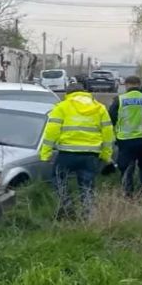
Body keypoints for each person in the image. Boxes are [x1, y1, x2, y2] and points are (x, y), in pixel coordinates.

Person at [39, 82, 114, 220]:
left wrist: (45, 153)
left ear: (68, 94)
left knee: (59, 179)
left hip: (67, 153)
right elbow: (108, 133)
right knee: (87, 185)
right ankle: (88, 215)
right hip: (91, 154)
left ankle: (67, 208)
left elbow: (51, 131)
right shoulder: (100, 108)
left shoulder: (62, 107)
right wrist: (106, 155)